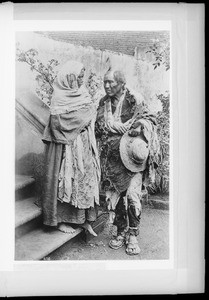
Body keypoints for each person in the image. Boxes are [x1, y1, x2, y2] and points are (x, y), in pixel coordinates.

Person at [95, 69, 160, 255]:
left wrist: (138, 126)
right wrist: (105, 127)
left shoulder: (134, 99)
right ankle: (121, 230)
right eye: (104, 82)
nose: (107, 86)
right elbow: (99, 128)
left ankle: (133, 235)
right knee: (115, 198)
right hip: (112, 159)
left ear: (122, 84)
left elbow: (150, 119)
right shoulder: (103, 103)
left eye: (111, 82)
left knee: (132, 196)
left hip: (132, 158)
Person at [41, 60, 101, 236]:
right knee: (65, 181)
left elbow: (89, 114)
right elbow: (58, 123)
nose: (81, 81)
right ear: (68, 78)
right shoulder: (59, 98)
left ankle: (81, 220)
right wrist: (83, 118)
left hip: (83, 146)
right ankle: (60, 220)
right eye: (78, 77)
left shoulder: (82, 93)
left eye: (83, 77)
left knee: (82, 180)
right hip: (66, 148)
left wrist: (85, 117)